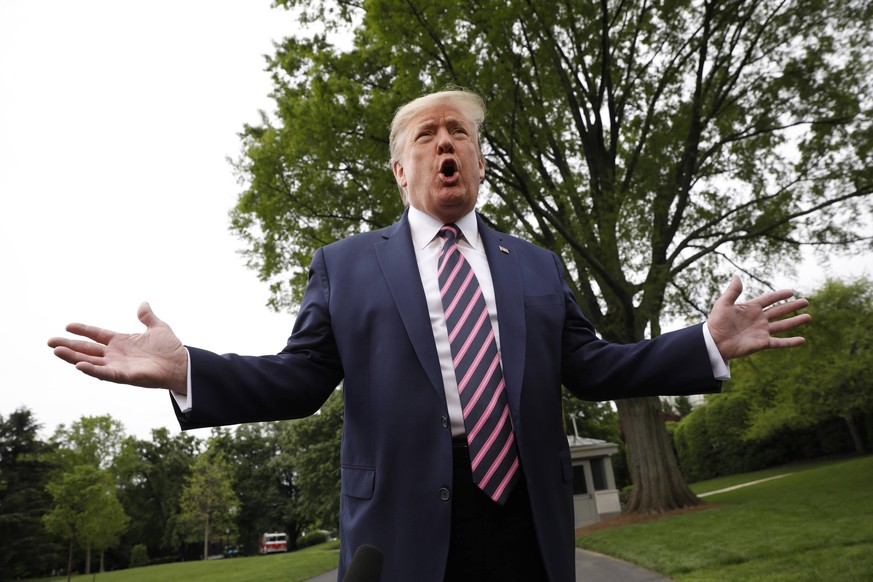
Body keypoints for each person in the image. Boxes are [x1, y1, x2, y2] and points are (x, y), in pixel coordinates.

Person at [48, 89, 810, 581]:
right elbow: (299, 379)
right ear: (398, 169)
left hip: (524, 514)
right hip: (401, 522)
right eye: (426, 134)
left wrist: (702, 343)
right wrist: (189, 370)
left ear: (477, 162)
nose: (445, 142)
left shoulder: (535, 266)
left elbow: (592, 365)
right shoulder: (344, 267)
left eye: (460, 133)